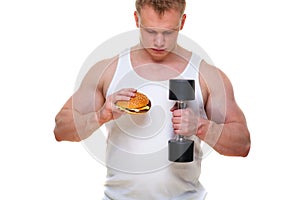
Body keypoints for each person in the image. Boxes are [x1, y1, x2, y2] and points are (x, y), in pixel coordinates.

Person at [53, 0, 251, 199]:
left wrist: (201, 126)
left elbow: (242, 144)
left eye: (168, 32)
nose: (159, 42)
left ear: (182, 22)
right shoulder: (108, 70)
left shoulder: (205, 75)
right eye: (150, 31)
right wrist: (101, 115)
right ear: (136, 19)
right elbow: (61, 128)